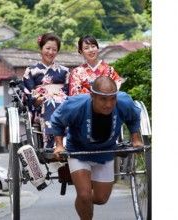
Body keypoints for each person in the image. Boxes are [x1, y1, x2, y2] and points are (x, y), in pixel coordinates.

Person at [51, 76, 142, 220]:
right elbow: (57, 121)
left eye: (112, 99)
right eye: (103, 99)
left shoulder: (123, 102)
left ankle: (83, 201)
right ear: (92, 96)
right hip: (78, 152)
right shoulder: (76, 105)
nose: (109, 104)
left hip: (106, 152)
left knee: (101, 199)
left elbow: (134, 117)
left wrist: (135, 138)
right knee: (85, 195)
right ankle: (84, 204)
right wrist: (59, 145)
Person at [23, 33, 70, 148]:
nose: (50, 52)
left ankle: (69, 140)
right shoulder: (31, 71)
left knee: (69, 105)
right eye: (48, 48)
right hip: (40, 106)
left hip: (62, 103)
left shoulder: (65, 71)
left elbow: (68, 91)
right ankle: (52, 143)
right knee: (50, 102)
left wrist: (58, 97)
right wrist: (39, 99)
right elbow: (30, 95)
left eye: (54, 49)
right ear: (41, 48)